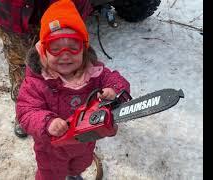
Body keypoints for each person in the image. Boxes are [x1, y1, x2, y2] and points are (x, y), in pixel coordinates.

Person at [16, 0, 130, 179]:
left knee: (80, 164)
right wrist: (47, 123)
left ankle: (74, 173)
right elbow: (26, 111)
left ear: (83, 48)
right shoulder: (37, 82)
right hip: (51, 148)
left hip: (85, 142)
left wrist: (113, 90)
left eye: (73, 46)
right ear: (43, 51)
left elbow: (114, 79)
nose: (65, 55)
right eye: (55, 47)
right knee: (50, 174)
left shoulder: (94, 72)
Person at [0, 0, 93, 138]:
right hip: (11, 12)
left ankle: (67, 110)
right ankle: (28, 113)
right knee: (20, 65)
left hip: (65, 11)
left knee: (67, 63)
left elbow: (102, 75)